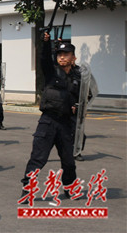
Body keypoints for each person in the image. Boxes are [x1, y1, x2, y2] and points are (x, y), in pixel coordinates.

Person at [20, 34, 80, 201]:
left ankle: (69, 188)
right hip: (48, 122)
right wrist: (46, 43)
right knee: (38, 159)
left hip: (66, 124)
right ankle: (27, 190)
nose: (62, 57)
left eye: (66, 54)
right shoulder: (52, 72)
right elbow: (44, 58)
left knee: (68, 161)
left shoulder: (79, 76)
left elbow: (86, 95)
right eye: (60, 54)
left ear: (73, 57)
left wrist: (78, 106)